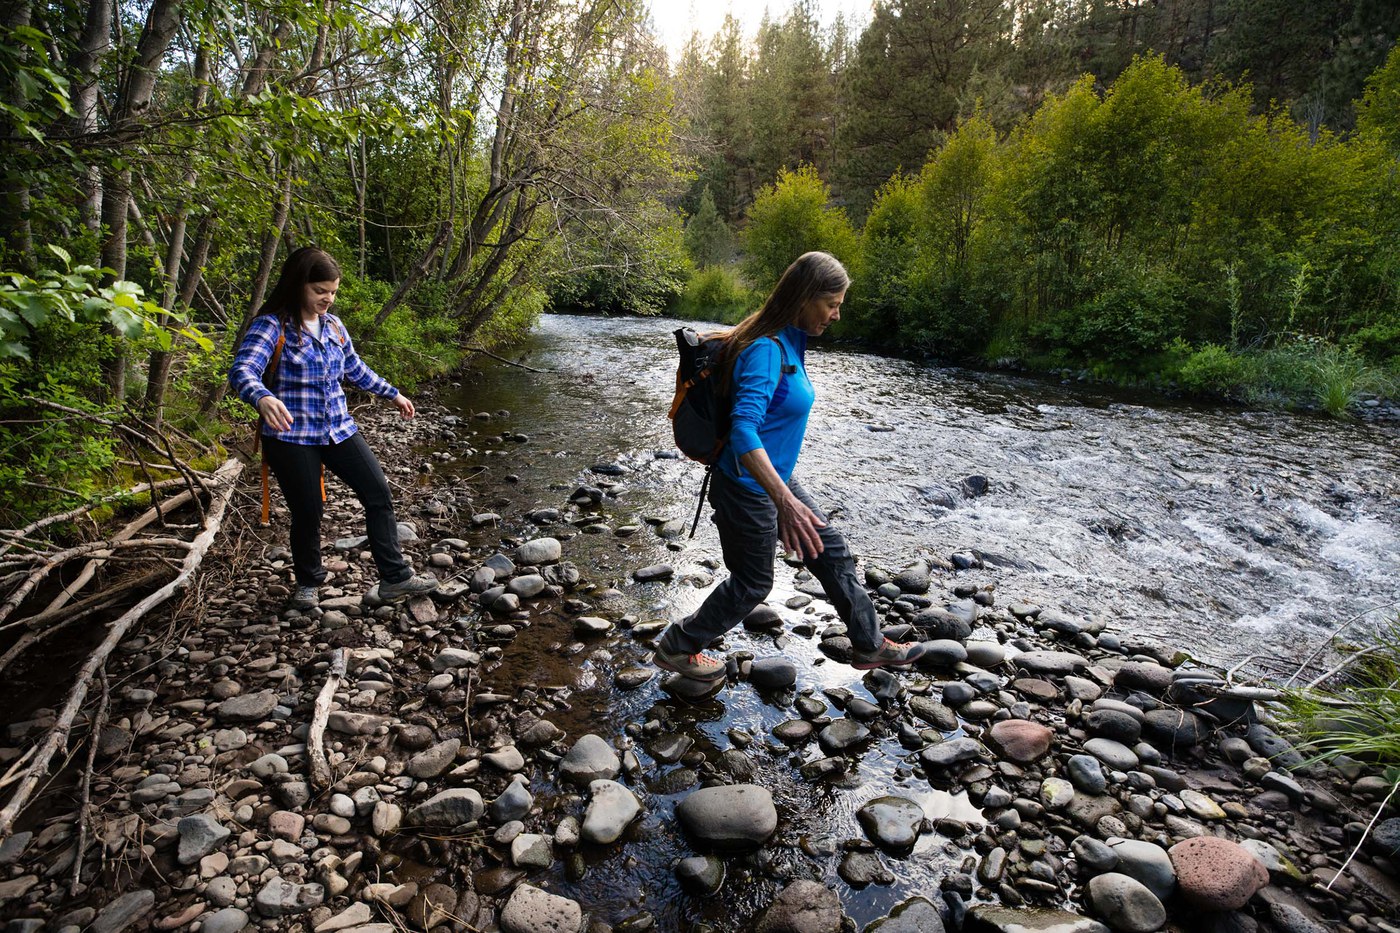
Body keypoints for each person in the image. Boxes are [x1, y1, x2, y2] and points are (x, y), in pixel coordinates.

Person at [654, 251, 928, 681]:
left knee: (831, 551)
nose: (837, 315)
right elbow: (744, 431)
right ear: (804, 298)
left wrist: (783, 493)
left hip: (775, 479)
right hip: (747, 486)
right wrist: (784, 502)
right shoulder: (766, 350)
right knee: (753, 582)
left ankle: (870, 645)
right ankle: (679, 645)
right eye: (832, 304)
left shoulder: (789, 343)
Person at [228, 246, 439, 609]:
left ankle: (394, 578)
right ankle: (309, 582)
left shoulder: (335, 327)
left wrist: (393, 394)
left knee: (378, 494)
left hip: (339, 428)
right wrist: (261, 397)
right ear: (298, 286)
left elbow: (355, 369)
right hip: (291, 436)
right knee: (308, 512)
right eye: (320, 290)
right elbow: (242, 370)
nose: (328, 298)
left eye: (333, 291)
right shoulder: (272, 326)